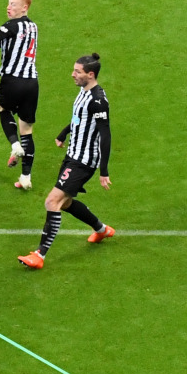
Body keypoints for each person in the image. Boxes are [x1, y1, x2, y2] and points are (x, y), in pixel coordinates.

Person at [19, 54, 116, 270]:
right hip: (72, 155)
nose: (73, 74)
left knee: (52, 202)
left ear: (90, 75)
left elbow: (105, 134)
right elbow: (79, 118)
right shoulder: (84, 92)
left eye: (77, 72)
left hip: (83, 162)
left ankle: (39, 255)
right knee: (66, 203)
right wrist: (64, 133)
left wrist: (104, 171)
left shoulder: (98, 101)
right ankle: (101, 230)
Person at [0, 0, 39, 189]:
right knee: (27, 129)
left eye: (14, 4)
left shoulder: (12, 25)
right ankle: (26, 177)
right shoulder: (33, 26)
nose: (9, 7)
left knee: (3, 108)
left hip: (12, 80)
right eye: (8, 3)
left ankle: (14, 145)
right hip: (32, 82)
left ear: (24, 7)